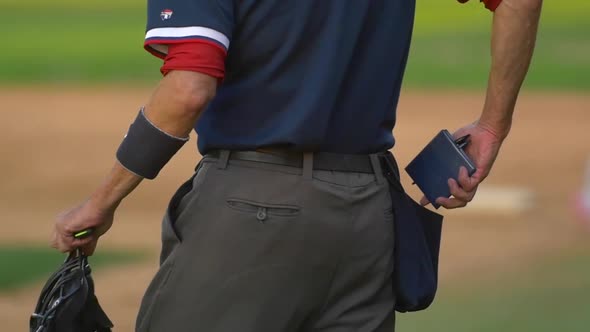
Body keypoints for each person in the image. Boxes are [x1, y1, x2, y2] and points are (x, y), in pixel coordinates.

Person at [52, 0, 543, 330]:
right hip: (370, 217)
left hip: (252, 212)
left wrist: (103, 202)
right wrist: (492, 125)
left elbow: (187, 89)